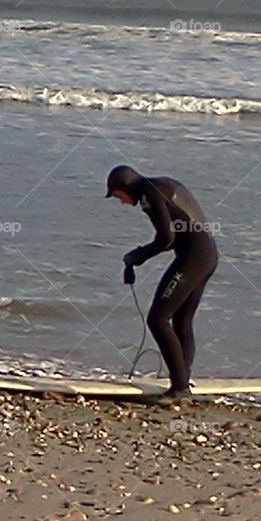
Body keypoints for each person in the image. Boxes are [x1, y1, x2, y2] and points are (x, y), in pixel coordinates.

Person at [105, 165, 218, 402]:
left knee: (158, 319)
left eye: (117, 196)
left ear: (125, 187)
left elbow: (166, 238)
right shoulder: (163, 184)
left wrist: (138, 256)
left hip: (193, 258)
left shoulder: (149, 194)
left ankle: (180, 388)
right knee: (182, 321)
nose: (121, 202)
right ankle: (183, 381)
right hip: (207, 255)